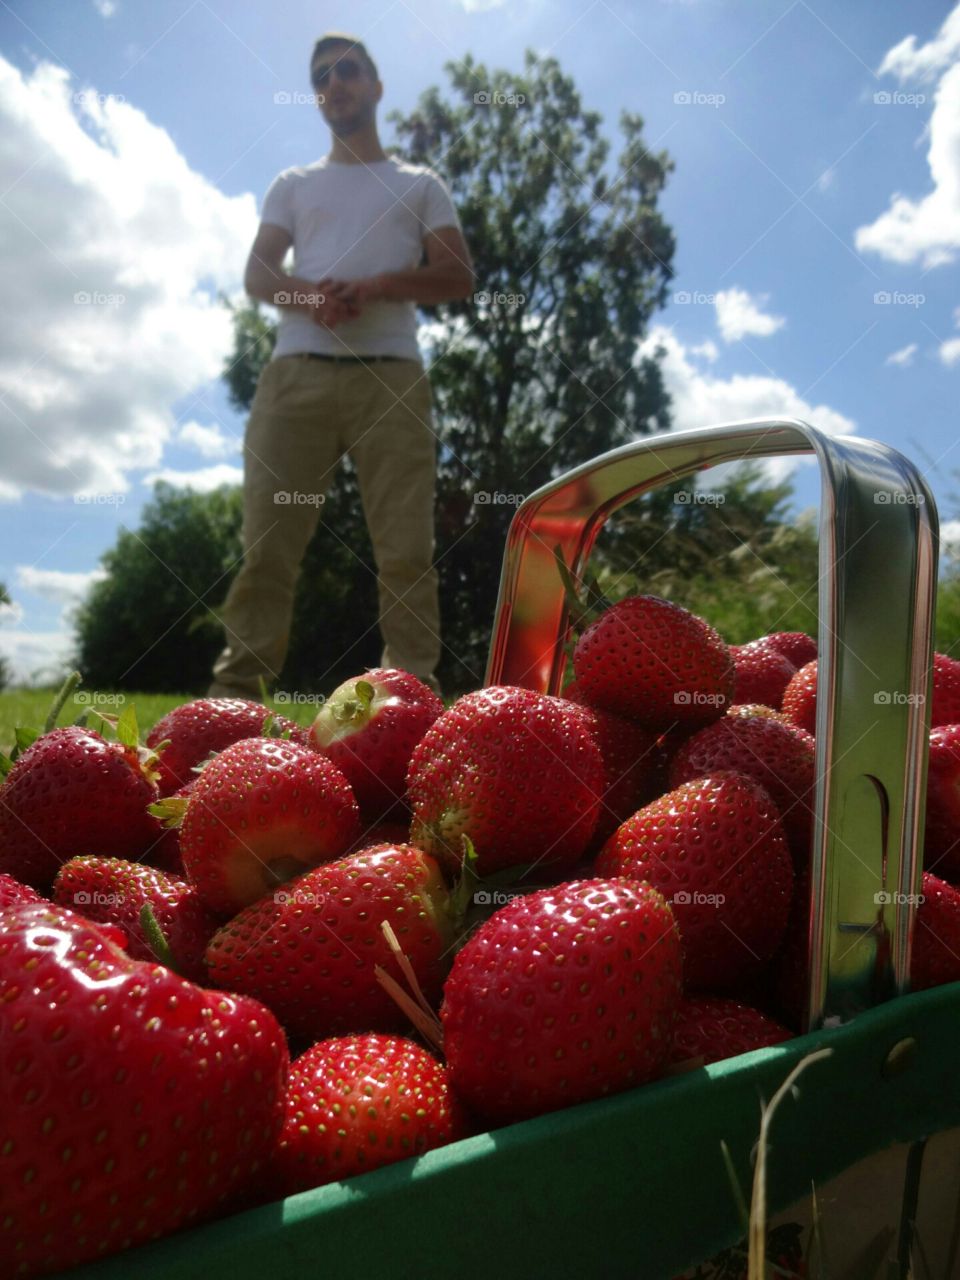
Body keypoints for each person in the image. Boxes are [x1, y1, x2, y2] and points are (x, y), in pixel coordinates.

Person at [208, 31, 474, 700]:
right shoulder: (293, 185)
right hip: (295, 374)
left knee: (405, 550)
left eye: (348, 70)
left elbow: (456, 274)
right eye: (321, 76)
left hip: (392, 378)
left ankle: (407, 699)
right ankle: (233, 703)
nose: (335, 83)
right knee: (268, 548)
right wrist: (313, 299)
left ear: (376, 86)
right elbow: (260, 275)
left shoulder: (420, 184)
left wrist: (378, 286)